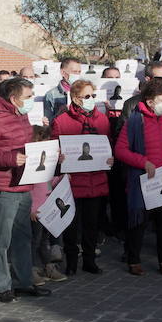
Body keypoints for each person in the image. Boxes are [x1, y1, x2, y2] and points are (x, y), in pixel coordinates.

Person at [0, 76, 46, 301]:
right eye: (28, 96)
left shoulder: (20, 113)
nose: (31, 100)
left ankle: (24, 281)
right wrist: (10, 158)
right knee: (2, 238)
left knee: (22, 237)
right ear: (14, 98)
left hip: (24, 182)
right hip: (4, 184)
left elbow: (25, 143)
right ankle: (3, 286)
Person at [114, 80, 162, 276]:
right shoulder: (135, 121)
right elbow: (120, 150)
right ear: (150, 102)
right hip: (142, 182)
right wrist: (142, 162)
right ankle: (133, 260)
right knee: (139, 223)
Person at [49, 78, 110, 275]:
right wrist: (58, 157)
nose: (91, 99)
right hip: (72, 181)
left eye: (93, 95)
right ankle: (72, 262)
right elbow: (53, 148)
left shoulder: (102, 119)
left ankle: (90, 261)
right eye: (87, 96)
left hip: (95, 179)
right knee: (71, 226)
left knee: (92, 225)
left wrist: (110, 159)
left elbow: (108, 144)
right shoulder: (61, 121)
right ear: (75, 98)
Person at [43, 57, 83, 121]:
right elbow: (47, 122)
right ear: (63, 73)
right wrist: (59, 114)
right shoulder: (51, 95)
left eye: (79, 72)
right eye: (74, 72)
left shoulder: (84, 92)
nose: (77, 75)